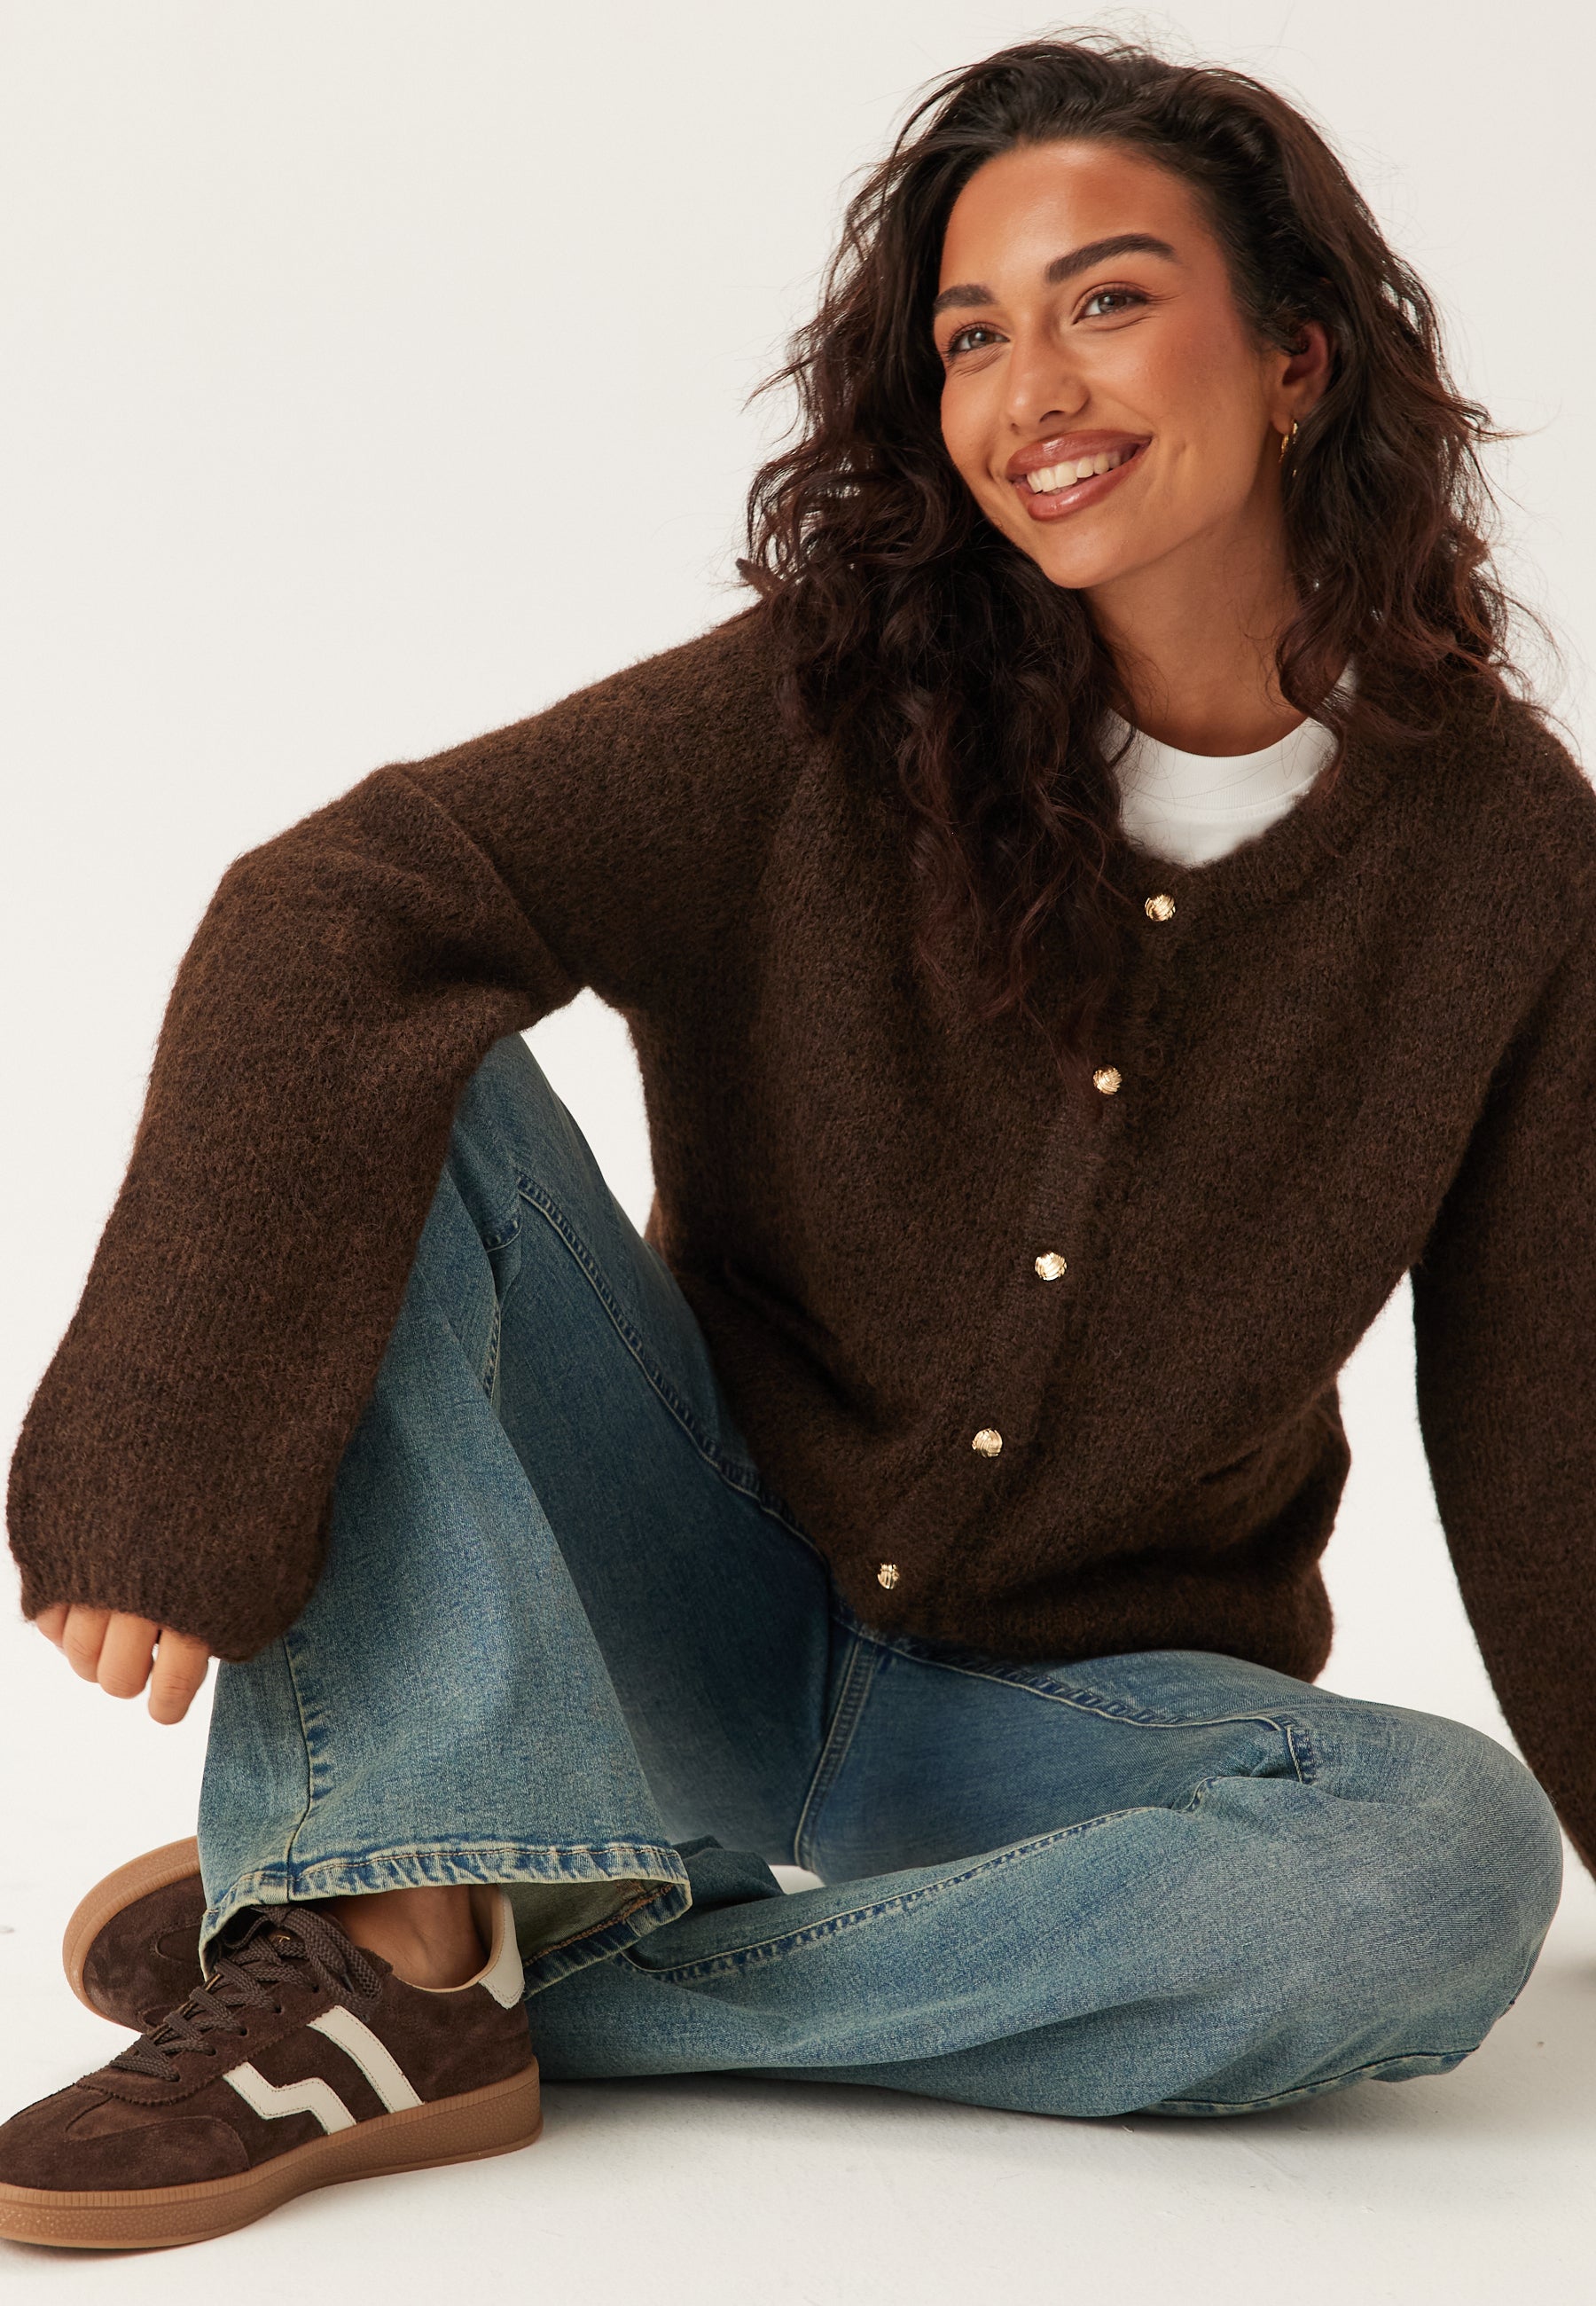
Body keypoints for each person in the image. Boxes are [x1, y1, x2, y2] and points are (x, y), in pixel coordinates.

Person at [3, 31, 1590, 2253]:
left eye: (1107, 300)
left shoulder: (1503, 853)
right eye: (973, 335)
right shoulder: (831, 709)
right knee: (411, 1056)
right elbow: (342, 902)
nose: (1030, 387)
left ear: (1298, 357)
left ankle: (463, 1941)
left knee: (1441, 1868)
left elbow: (1551, 1406)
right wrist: (179, 1436)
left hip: (1067, 1727)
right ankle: (406, 1926)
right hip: (684, 1595)